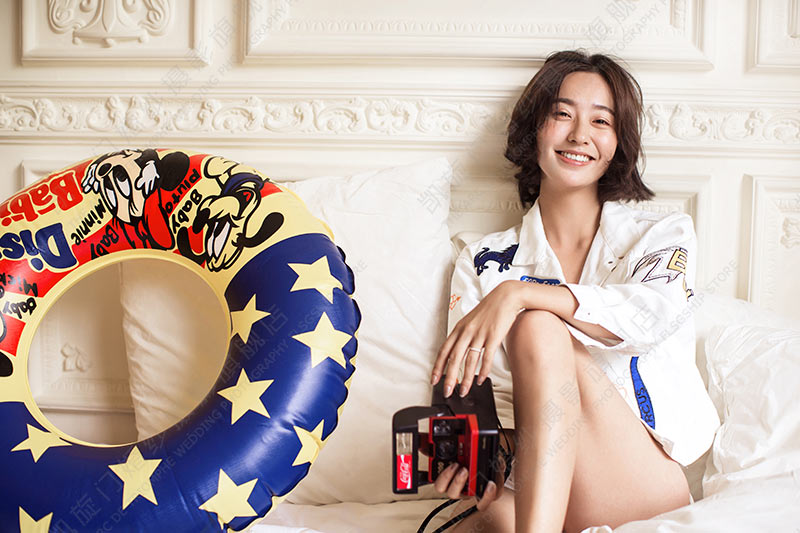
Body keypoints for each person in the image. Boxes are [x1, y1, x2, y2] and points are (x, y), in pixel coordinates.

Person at [429, 50, 720, 533]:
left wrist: (521, 294)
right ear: (535, 131)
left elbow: (649, 317)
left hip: (642, 481)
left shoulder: (661, 233)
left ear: (617, 143)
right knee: (474, 519)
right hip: (542, 487)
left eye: (601, 121)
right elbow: (482, 396)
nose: (579, 135)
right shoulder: (481, 261)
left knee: (537, 326)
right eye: (562, 114)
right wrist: (476, 462)